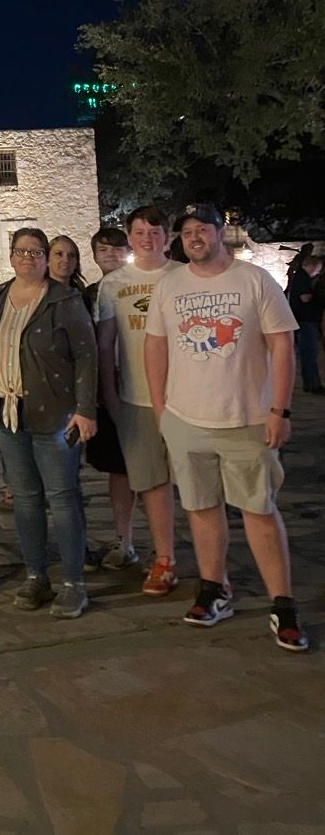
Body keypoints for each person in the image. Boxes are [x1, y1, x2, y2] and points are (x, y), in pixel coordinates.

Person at [145, 205, 308, 651]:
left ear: (221, 233)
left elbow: (282, 345)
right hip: (186, 418)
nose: (195, 237)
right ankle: (214, 590)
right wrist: (162, 409)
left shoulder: (254, 281)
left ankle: (283, 604)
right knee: (201, 507)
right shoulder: (170, 285)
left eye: (203, 229)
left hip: (246, 418)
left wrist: (279, 409)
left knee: (258, 510)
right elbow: (155, 346)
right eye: (188, 231)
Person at [0, 227, 98, 619]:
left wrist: (86, 409)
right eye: (21, 251)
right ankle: (36, 576)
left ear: (46, 258)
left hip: (55, 415)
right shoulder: (0, 295)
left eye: (35, 251)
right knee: (27, 500)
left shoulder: (64, 299)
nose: (27, 258)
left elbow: (86, 355)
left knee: (63, 500)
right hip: (9, 414)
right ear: (11, 256)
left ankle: (73, 583)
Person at [96, 206, 180, 594]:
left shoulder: (182, 276)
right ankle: (164, 559)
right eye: (140, 231)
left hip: (185, 398)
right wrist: (111, 396)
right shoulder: (114, 284)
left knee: (196, 484)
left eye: (156, 230)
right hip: (136, 398)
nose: (148, 238)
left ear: (167, 235)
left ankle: (208, 568)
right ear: (129, 237)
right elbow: (105, 344)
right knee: (152, 484)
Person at [82, 227, 136, 568]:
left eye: (117, 250)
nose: (111, 256)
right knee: (118, 470)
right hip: (108, 391)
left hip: (144, 389)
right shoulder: (88, 295)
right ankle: (124, 541)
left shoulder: (144, 286)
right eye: (104, 250)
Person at [287, 253, 324, 394]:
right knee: (309, 353)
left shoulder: (300, 276)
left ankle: (311, 383)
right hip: (305, 321)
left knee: (308, 353)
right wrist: (317, 296)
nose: (318, 272)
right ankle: (312, 384)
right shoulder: (302, 277)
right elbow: (305, 298)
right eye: (318, 269)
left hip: (304, 320)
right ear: (312, 266)